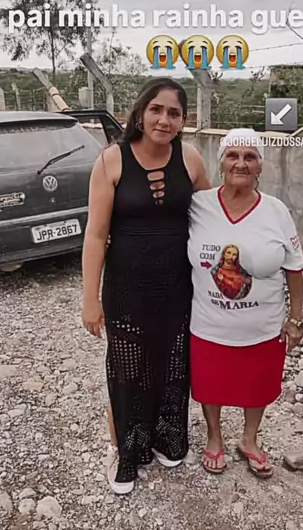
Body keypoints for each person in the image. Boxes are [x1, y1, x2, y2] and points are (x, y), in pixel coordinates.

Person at [81, 78, 211, 494]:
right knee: (127, 371)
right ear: (140, 113)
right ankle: (122, 450)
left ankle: (165, 437)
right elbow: (95, 235)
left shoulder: (191, 159)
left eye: (174, 113)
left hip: (178, 288)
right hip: (126, 291)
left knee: (173, 366)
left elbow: (212, 220)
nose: (164, 119)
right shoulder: (111, 161)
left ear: (183, 120)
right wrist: (90, 300)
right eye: (156, 109)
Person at [187, 128, 303, 478]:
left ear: (260, 167)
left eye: (250, 157)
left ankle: (249, 440)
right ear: (221, 163)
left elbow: (295, 267)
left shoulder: (276, 211)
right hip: (208, 324)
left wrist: (295, 319)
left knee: (258, 386)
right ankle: (214, 438)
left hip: (263, 327)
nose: (241, 163)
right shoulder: (198, 205)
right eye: (233, 156)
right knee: (210, 384)